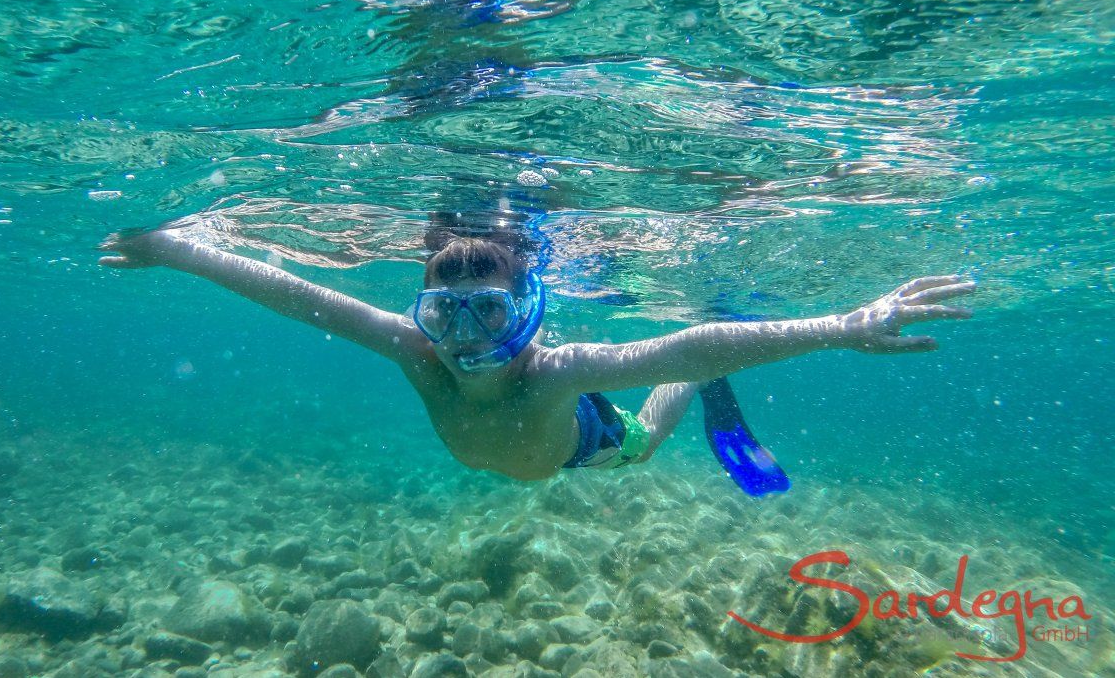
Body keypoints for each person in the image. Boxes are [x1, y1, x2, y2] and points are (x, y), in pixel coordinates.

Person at [98, 222, 974, 482]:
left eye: (488, 314)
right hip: (533, 454)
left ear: (525, 313)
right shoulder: (417, 350)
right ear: (425, 314)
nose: (466, 341)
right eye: (449, 316)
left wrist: (841, 325)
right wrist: (177, 249)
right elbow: (297, 296)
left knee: (647, 438)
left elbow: (693, 333)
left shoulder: (559, 370)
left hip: (586, 440)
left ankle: (709, 392)